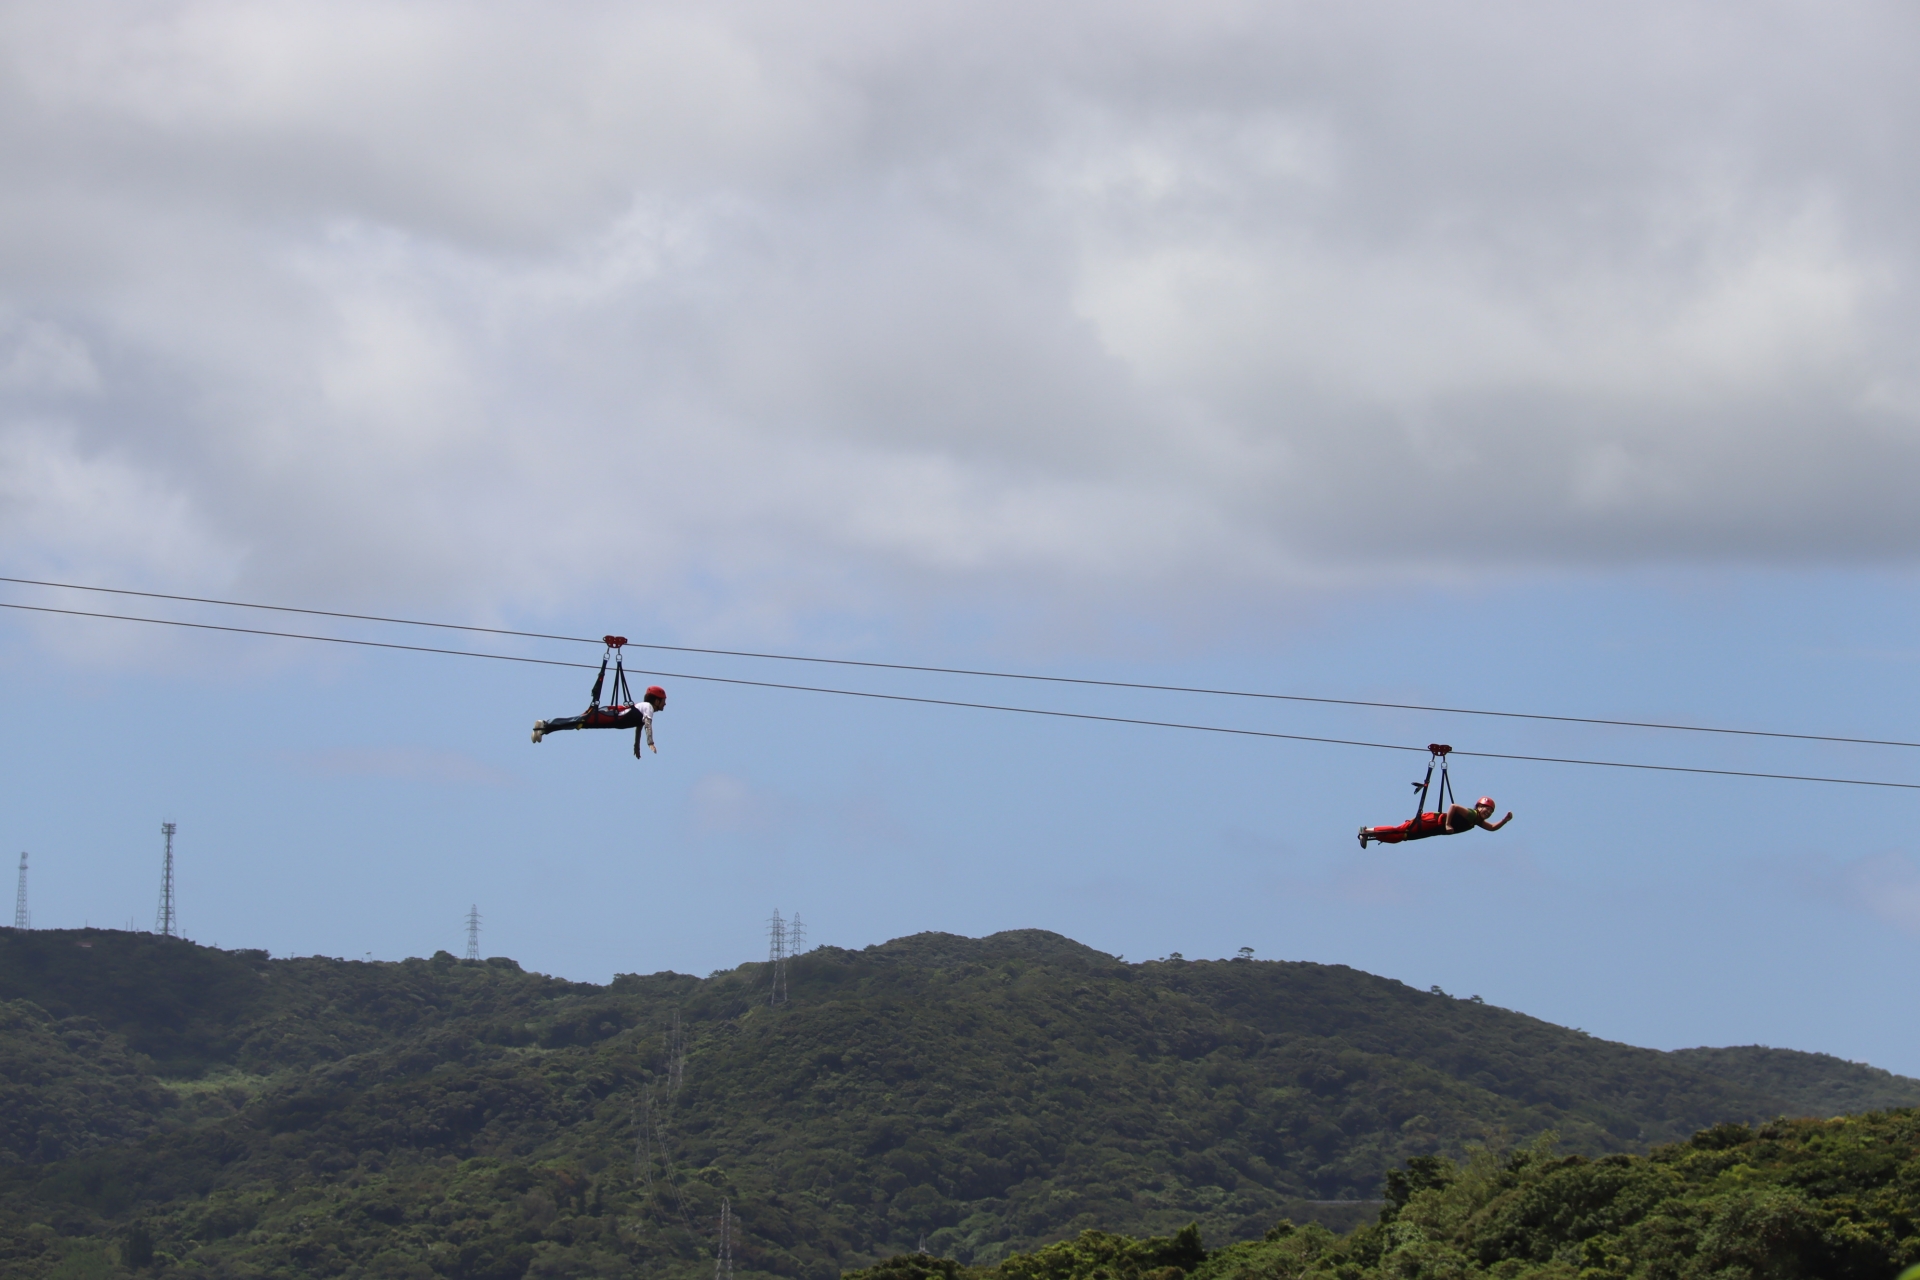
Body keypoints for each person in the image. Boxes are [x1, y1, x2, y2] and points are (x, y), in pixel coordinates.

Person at [533, 685, 666, 755]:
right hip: (609, 715)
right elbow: (647, 724)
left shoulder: (644, 708)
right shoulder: (648, 707)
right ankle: (544, 724)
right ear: (656, 701)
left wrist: (637, 747)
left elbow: (639, 727)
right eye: (663, 701)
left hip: (611, 717)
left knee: (579, 723)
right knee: (580, 721)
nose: (665, 704)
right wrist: (650, 743)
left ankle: (543, 729)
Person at [1359, 796, 1511, 848]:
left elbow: (1492, 828)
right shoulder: (1471, 814)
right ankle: (1366, 830)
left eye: (1490, 812)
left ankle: (1371, 835)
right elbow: (1454, 806)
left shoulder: (1476, 821)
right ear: (1478, 807)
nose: (1487, 813)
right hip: (1431, 821)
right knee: (1402, 831)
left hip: (1434, 829)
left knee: (1402, 837)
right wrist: (1448, 824)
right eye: (1486, 809)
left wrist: (1504, 820)